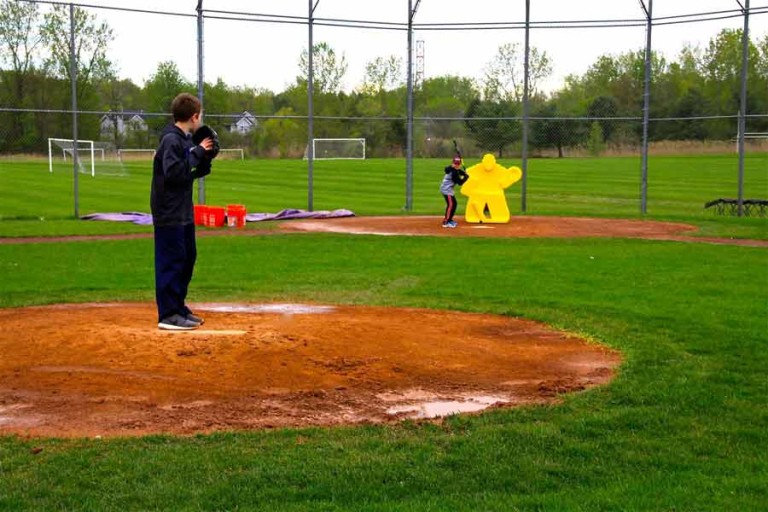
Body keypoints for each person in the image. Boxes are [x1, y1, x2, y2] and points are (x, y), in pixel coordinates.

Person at [150, 93, 214, 330]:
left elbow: (188, 172)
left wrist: (204, 162)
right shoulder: (170, 140)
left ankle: (177, 307)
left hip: (183, 211)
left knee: (187, 258)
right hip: (169, 212)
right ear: (194, 116)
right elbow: (174, 172)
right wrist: (197, 152)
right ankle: (167, 314)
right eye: (200, 116)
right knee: (172, 261)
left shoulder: (184, 140)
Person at [440, 155, 469, 228]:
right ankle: (446, 222)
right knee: (450, 205)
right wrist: (465, 178)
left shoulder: (455, 169)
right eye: (455, 163)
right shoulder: (454, 172)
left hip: (449, 189)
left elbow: (459, 171)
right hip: (446, 190)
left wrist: (465, 174)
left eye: (458, 163)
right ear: (452, 163)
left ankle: (450, 219)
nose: (457, 165)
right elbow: (459, 182)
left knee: (454, 204)